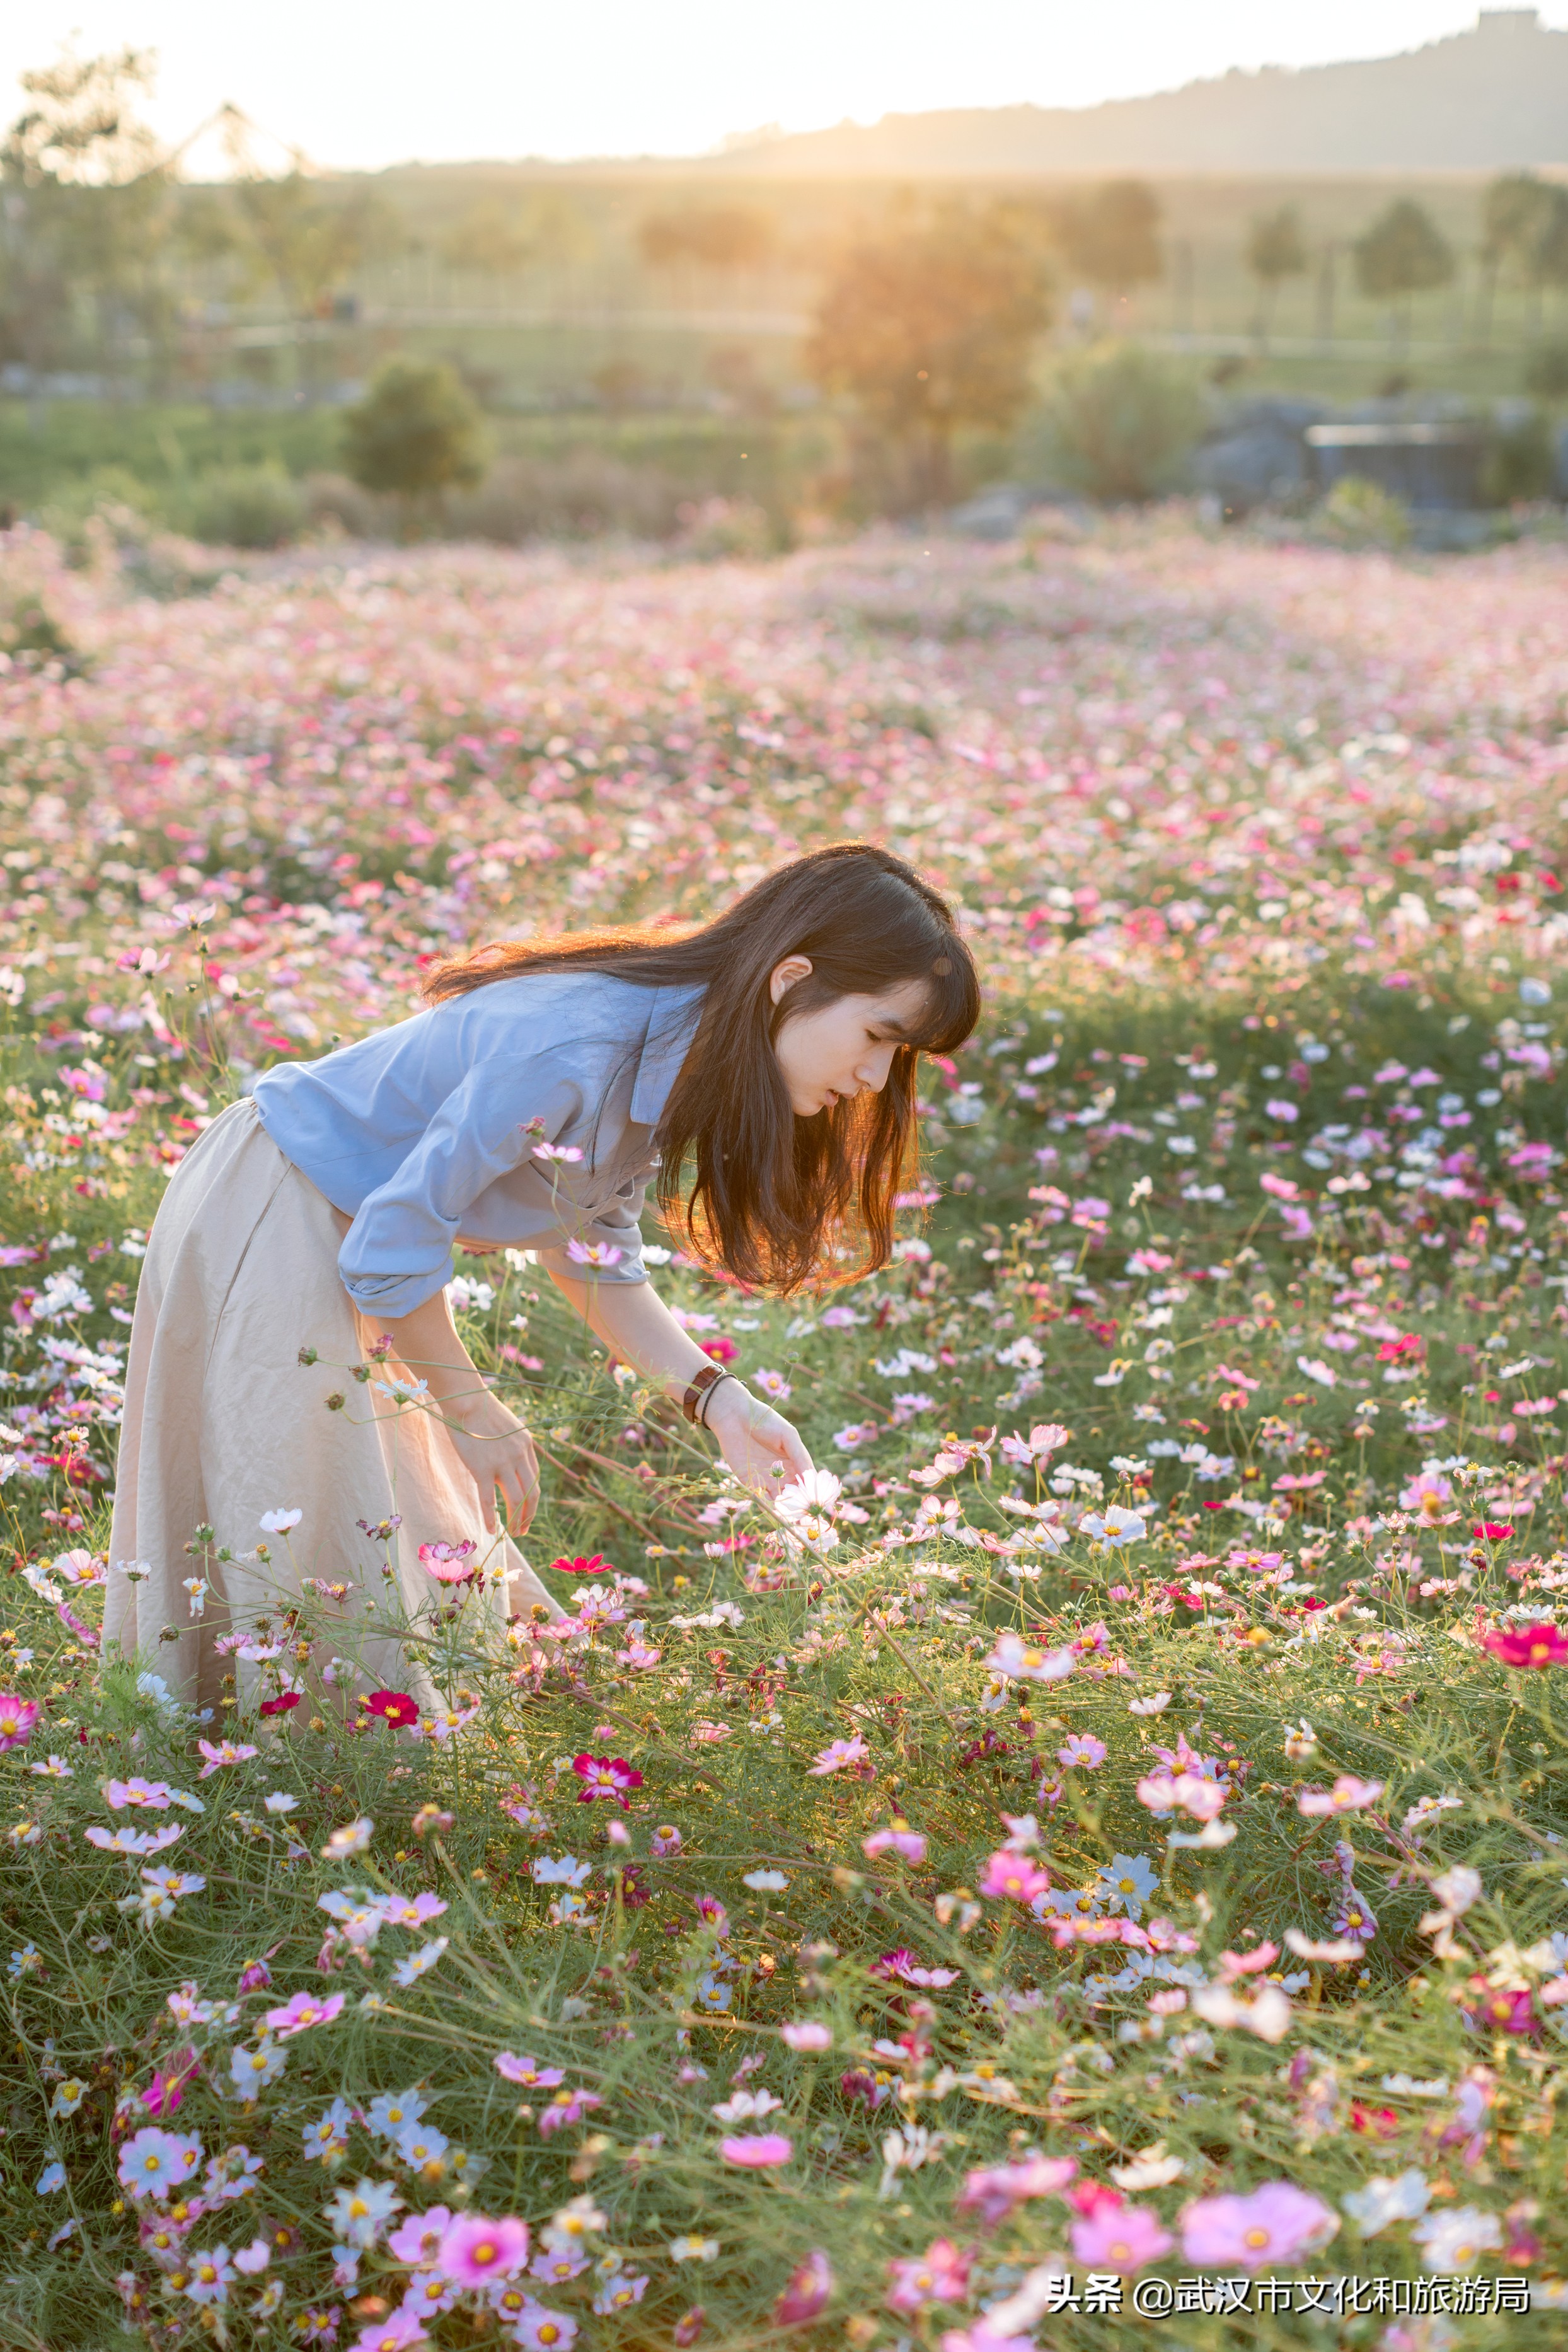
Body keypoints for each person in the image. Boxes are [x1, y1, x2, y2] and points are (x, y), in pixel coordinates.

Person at [103, 842, 980, 1713]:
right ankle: (251, 1798)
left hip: (343, 1235)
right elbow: (392, 1245)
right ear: (792, 979)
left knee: (377, 1550)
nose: (874, 1079)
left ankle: (310, 1791)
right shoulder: (575, 1042)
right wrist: (474, 1409)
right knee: (309, 1538)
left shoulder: (679, 1049)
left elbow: (594, 1254)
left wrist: (719, 1400)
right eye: (878, 1037)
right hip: (272, 1200)